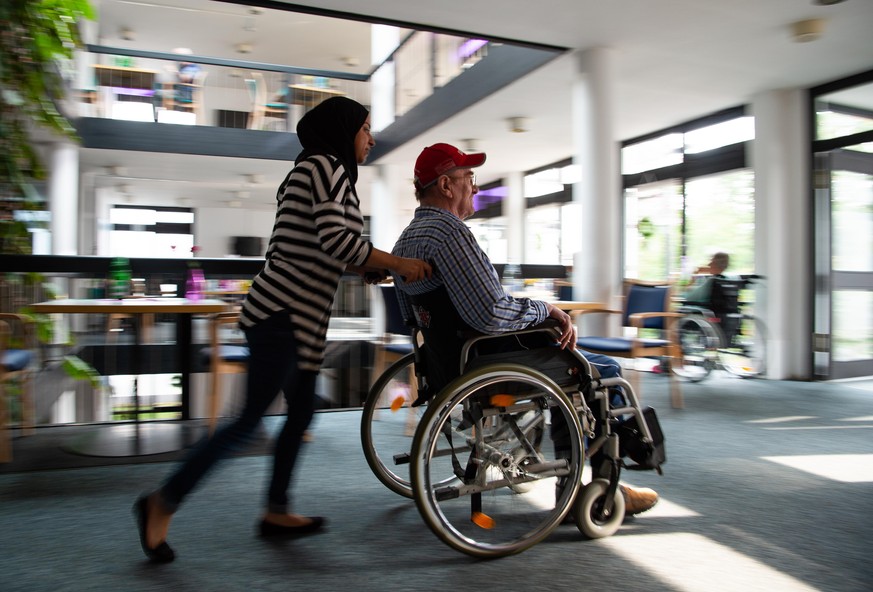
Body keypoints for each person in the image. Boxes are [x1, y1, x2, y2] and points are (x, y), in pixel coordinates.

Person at [133, 97, 432, 563]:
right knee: (250, 421)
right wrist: (398, 264)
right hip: (282, 315)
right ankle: (161, 501)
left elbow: (325, 248)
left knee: (299, 415)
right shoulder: (324, 167)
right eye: (366, 129)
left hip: (299, 319)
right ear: (342, 130)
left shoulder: (323, 172)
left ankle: (276, 510)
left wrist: (366, 269)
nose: (371, 138)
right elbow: (338, 241)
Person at [389, 142, 659, 517]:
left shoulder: (405, 240)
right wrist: (547, 309)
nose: (476, 187)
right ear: (446, 186)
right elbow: (491, 313)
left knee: (570, 358)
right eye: (469, 178)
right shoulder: (450, 233)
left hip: (449, 361)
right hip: (489, 361)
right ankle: (600, 483)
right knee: (598, 370)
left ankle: (583, 477)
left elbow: (412, 316)